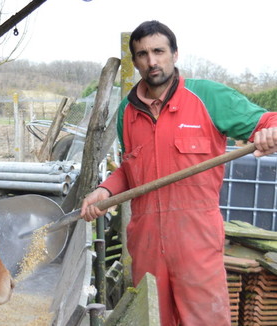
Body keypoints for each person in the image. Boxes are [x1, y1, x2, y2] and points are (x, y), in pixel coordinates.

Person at [80, 20, 277, 326]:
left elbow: (267, 121)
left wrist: (269, 133)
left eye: (159, 51)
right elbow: (131, 171)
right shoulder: (127, 113)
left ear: (175, 54)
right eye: (143, 54)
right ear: (136, 61)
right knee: (152, 319)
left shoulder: (208, 97)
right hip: (145, 242)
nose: (152, 61)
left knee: (205, 320)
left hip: (195, 241)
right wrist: (105, 191)